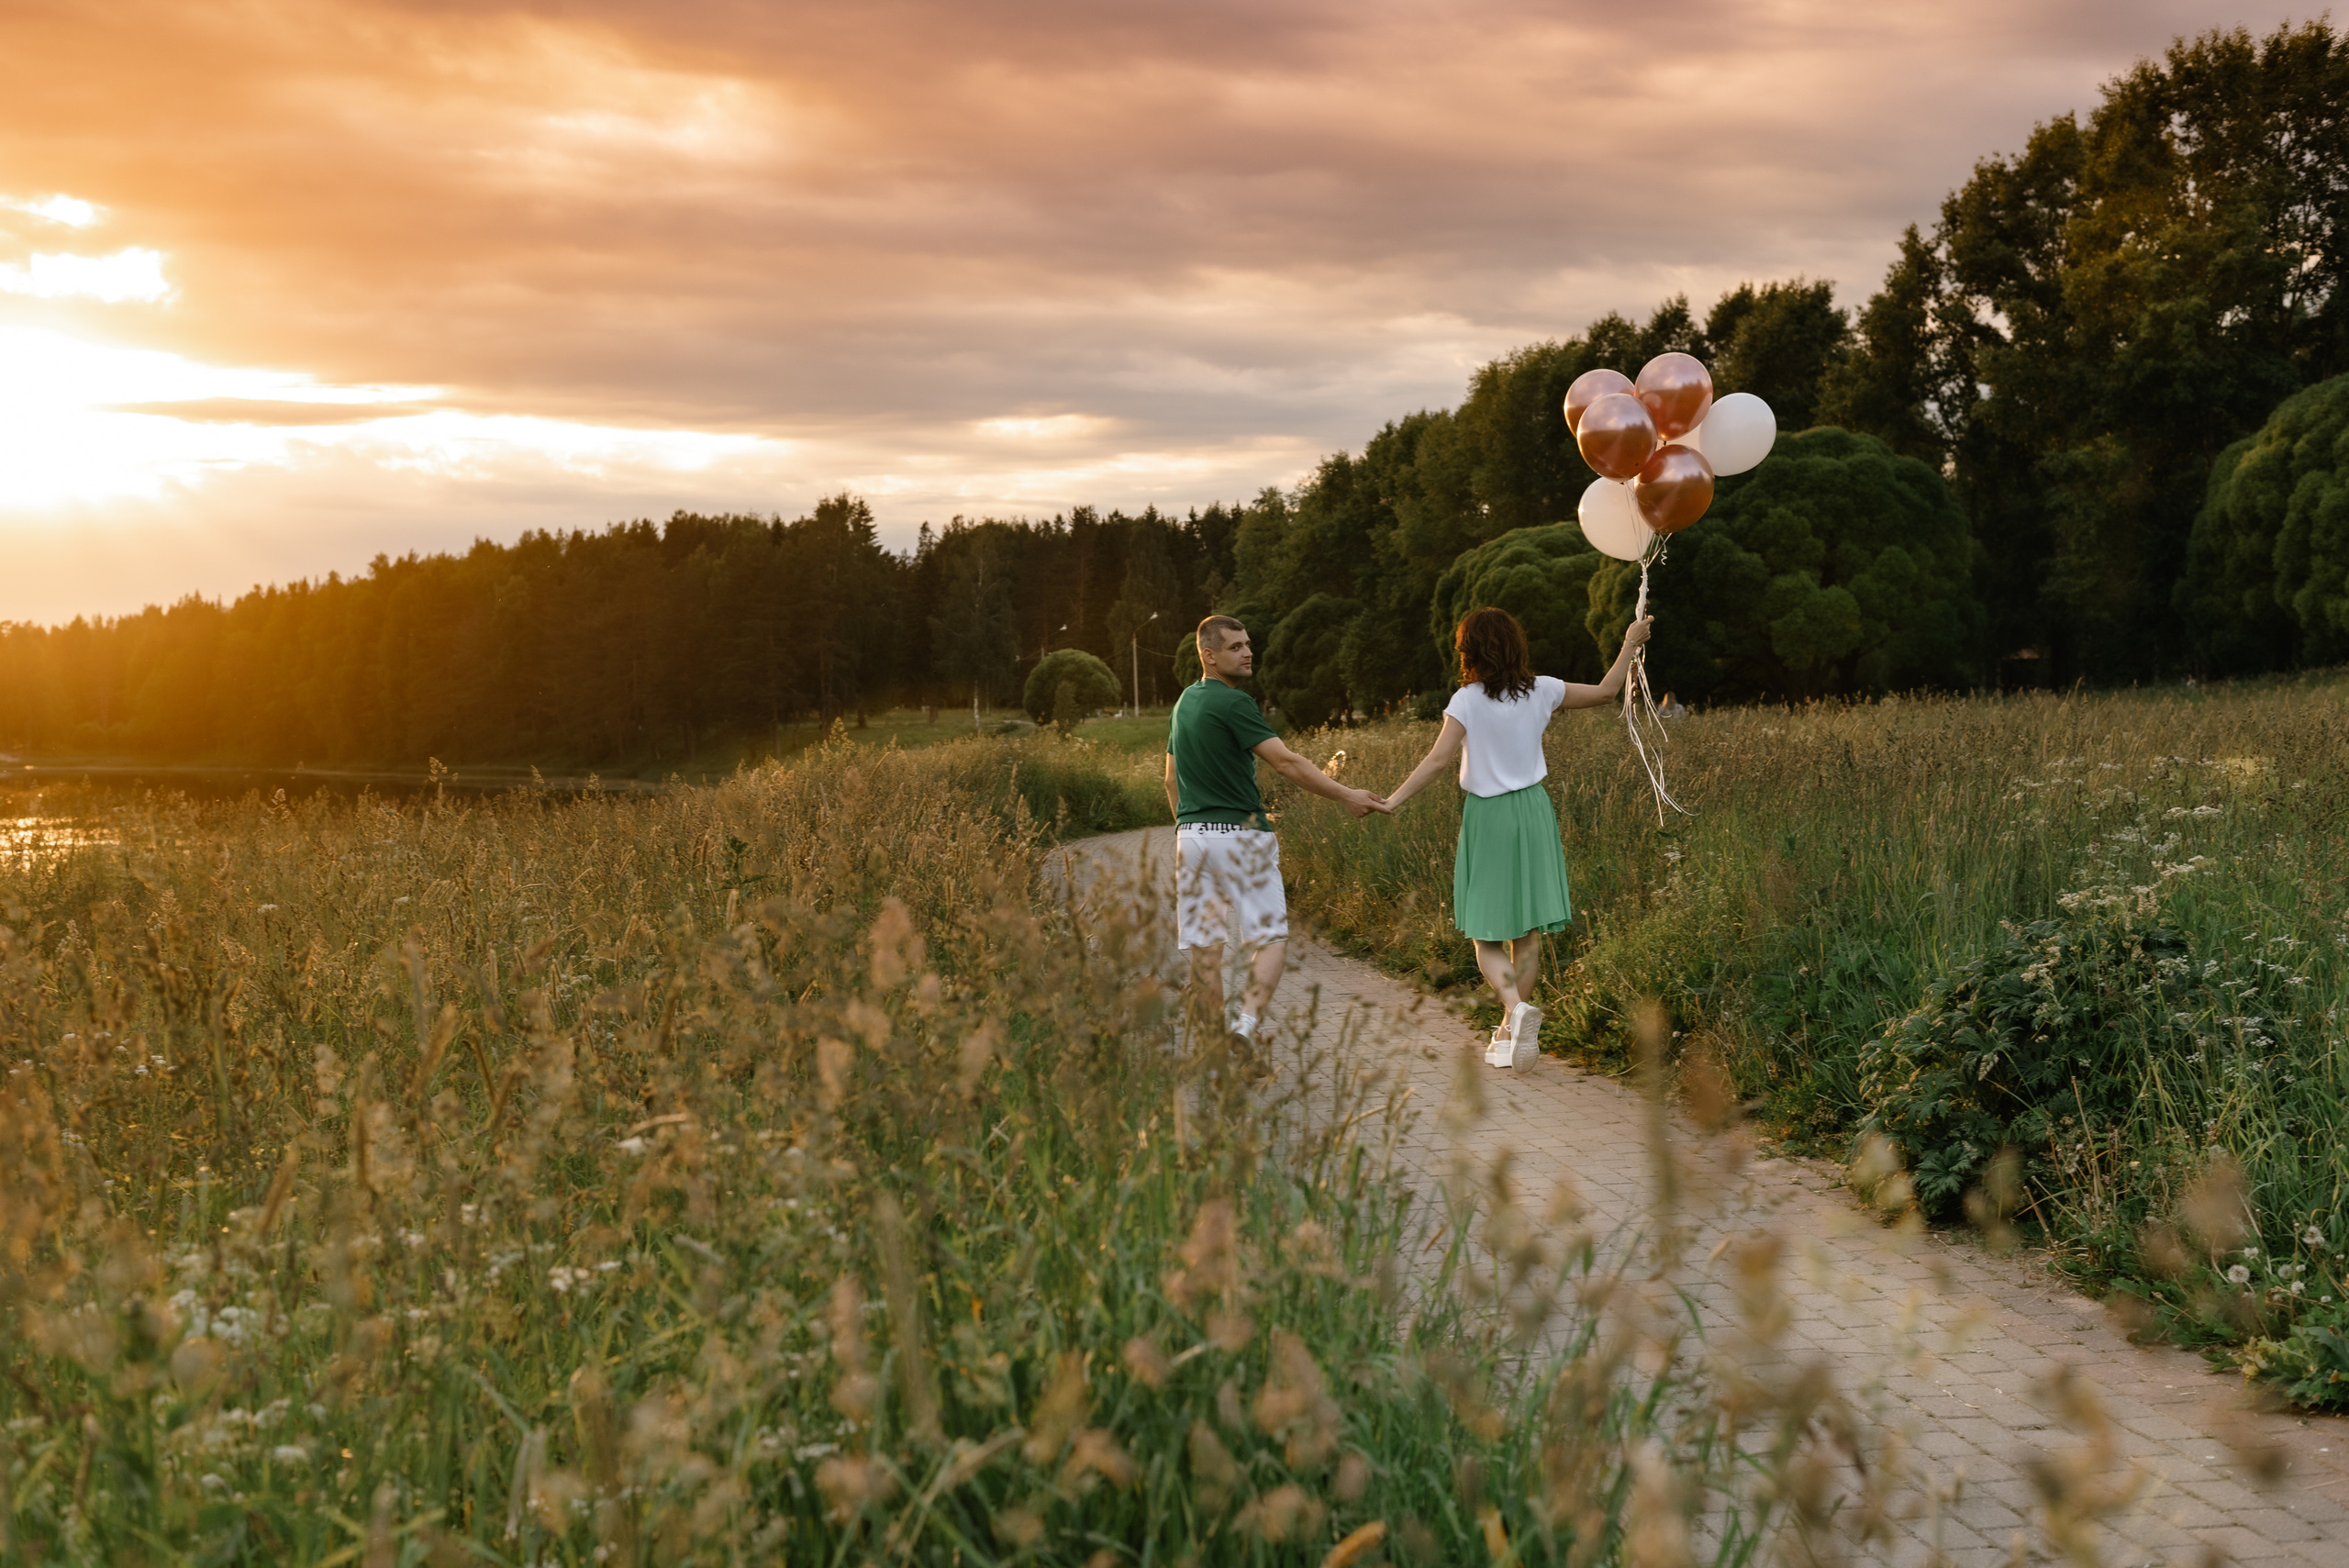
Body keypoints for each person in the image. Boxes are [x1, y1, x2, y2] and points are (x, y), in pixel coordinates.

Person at [1381, 607, 1653, 1068]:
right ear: (1515, 644)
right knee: (1526, 933)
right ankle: (1510, 1037)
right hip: (1533, 811)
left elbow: (1437, 761)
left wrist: (1392, 800)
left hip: (1489, 816)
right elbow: (1609, 692)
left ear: (1470, 651)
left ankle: (1515, 1010)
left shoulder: (1466, 700)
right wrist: (1630, 642)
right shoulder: (1542, 690)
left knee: (1484, 933)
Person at [1165, 614, 1389, 1041]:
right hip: (1242, 836)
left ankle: (1213, 1047)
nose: (1248, 652)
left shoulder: (1183, 704)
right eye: (1235, 647)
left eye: (1248, 644)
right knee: (1269, 938)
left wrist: (1187, 830)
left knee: (1205, 949)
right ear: (1208, 656)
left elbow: (1170, 781)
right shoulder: (1234, 703)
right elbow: (1286, 762)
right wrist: (1346, 795)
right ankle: (1245, 1028)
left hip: (1190, 838)